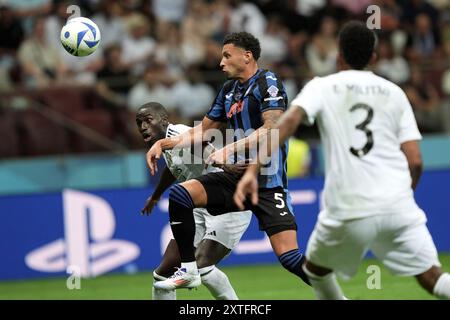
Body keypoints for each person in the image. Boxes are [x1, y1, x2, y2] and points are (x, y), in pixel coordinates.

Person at [234, 21, 450, 300]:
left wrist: (252, 170)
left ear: (338, 56)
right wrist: (402, 196)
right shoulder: (395, 92)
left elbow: (285, 126)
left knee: (316, 271)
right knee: (433, 278)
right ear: (374, 57)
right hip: (398, 205)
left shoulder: (322, 86)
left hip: (349, 208)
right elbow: (416, 160)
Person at [146, 32, 310, 290]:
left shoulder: (268, 81)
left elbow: (273, 126)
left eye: (226, 55)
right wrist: (162, 143)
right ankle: (189, 270)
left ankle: (335, 295)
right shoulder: (228, 90)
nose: (221, 63)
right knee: (180, 195)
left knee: (289, 258)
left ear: (247, 56)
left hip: (268, 182)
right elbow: (203, 130)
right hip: (235, 179)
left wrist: (230, 147)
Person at [136, 102, 252, 299]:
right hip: (198, 205)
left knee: (202, 267)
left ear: (164, 120)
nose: (143, 127)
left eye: (148, 120)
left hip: (227, 202)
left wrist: (226, 166)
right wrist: (156, 196)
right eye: (139, 123)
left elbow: (203, 144)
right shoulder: (167, 146)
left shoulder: (178, 132)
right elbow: (172, 171)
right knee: (162, 274)